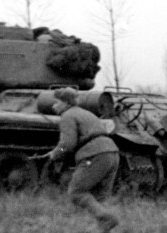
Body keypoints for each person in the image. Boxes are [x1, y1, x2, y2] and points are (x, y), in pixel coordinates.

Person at [35, 87, 120, 233]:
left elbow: (67, 144)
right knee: (100, 198)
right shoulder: (86, 113)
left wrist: (55, 154)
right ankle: (104, 228)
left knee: (76, 192)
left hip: (94, 154)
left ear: (66, 103)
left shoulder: (67, 116)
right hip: (112, 153)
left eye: (56, 102)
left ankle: (107, 218)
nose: (54, 106)